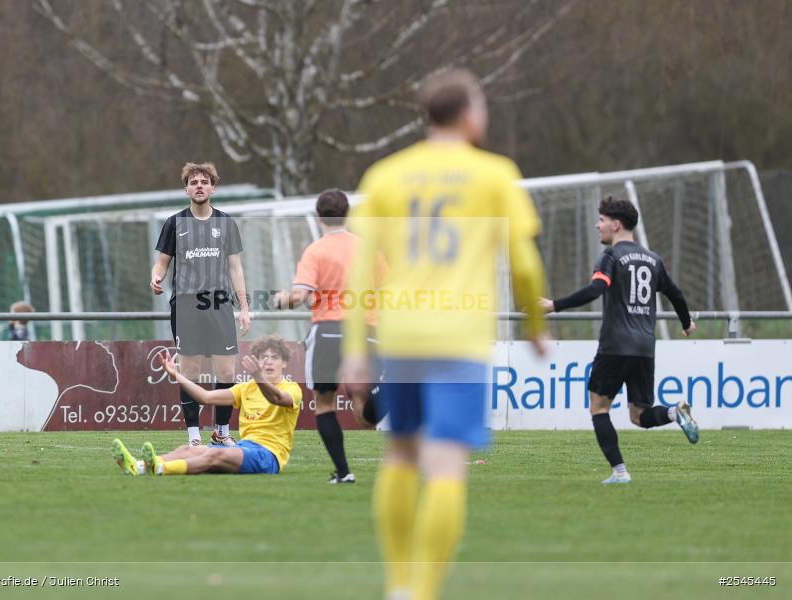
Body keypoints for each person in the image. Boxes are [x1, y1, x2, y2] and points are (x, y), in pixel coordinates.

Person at [340, 69, 548, 600]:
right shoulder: (496, 174)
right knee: (447, 461)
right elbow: (523, 263)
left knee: (401, 454)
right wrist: (536, 325)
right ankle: (424, 591)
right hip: (459, 333)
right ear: (470, 115)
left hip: (404, 331)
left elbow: (361, 269)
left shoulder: (387, 173)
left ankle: (396, 583)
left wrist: (355, 350)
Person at [539, 195, 698, 484]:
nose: (597, 226)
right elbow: (675, 294)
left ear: (616, 224)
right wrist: (686, 323)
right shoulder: (653, 259)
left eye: (601, 221)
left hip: (615, 345)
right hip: (644, 347)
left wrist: (554, 305)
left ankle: (620, 472)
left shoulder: (611, 256)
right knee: (640, 416)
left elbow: (595, 290)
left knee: (599, 408)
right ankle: (675, 412)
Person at [274, 189, 383, 484]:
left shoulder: (316, 250)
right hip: (365, 329)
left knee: (325, 403)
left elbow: (301, 296)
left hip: (330, 330)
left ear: (319, 216)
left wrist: (281, 298)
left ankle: (344, 472)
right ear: (347, 214)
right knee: (364, 408)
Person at [150, 162, 251, 447]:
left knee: (227, 371)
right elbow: (161, 263)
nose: (199, 186)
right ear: (186, 189)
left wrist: (243, 307)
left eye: (204, 181)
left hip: (219, 304)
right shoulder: (174, 223)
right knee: (190, 371)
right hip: (186, 306)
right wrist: (156, 279)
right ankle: (194, 436)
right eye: (193, 182)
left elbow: (235, 269)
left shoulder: (226, 223)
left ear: (212, 187)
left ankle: (221, 432)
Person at [111, 335, 301, 476]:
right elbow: (206, 397)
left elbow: (276, 398)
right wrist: (177, 375)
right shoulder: (246, 388)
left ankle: (160, 468)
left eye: (274, 357)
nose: (268, 361)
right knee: (189, 449)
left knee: (215, 454)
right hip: (244, 446)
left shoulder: (292, 388)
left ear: (284, 363)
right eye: (263, 357)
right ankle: (137, 466)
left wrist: (258, 377)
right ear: (257, 361)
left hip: (268, 456)